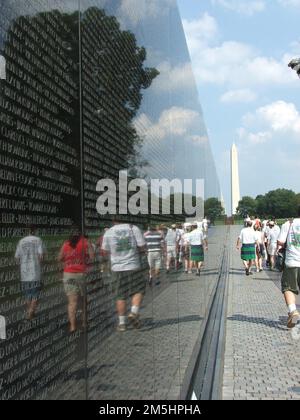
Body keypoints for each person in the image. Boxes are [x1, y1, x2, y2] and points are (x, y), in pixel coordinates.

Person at [102, 220, 146, 332]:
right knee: (139, 290)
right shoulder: (133, 228)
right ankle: (134, 312)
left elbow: (104, 251)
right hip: (133, 265)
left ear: (114, 219)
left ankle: (122, 324)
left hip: (116, 268)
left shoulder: (109, 232)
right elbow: (142, 246)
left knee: (120, 295)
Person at [58, 229, 95, 333]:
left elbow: (59, 258)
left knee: (72, 302)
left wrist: (67, 261)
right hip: (82, 274)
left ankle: (73, 326)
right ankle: (84, 323)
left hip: (69, 274)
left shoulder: (66, 244)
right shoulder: (85, 242)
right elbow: (92, 257)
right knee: (83, 301)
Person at [15, 226, 44, 320]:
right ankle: (30, 314)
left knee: (28, 295)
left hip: (24, 272)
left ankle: (30, 313)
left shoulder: (21, 241)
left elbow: (17, 257)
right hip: (35, 272)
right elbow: (41, 256)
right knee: (35, 295)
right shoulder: (38, 240)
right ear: (34, 230)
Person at [277, 209, 300, 329]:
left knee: (288, 287)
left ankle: (293, 311)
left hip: (292, 262)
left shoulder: (288, 224)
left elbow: (280, 242)